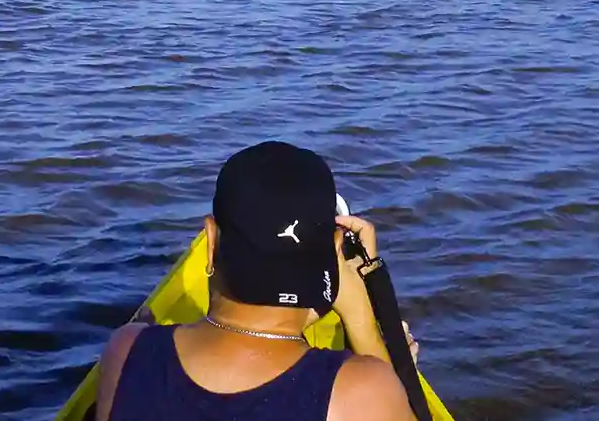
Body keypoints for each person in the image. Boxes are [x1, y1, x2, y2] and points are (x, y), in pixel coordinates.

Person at [94, 141, 420, 421]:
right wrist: (362, 321)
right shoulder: (363, 390)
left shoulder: (126, 350)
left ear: (210, 241)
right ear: (335, 251)